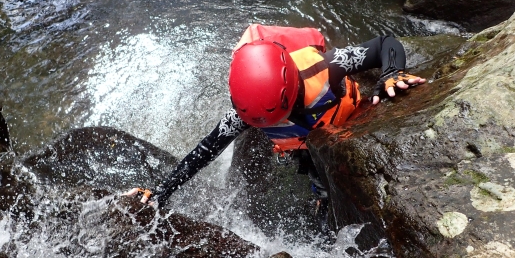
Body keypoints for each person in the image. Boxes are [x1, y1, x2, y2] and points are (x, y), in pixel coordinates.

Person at [126, 24, 426, 212]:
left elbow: (385, 44)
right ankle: (321, 194)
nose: (268, 127)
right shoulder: (246, 114)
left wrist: (392, 73)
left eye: (272, 121)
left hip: (343, 118)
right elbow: (206, 150)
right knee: (315, 174)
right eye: (261, 124)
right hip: (308, 143)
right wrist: (163, 190)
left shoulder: (325, 67)